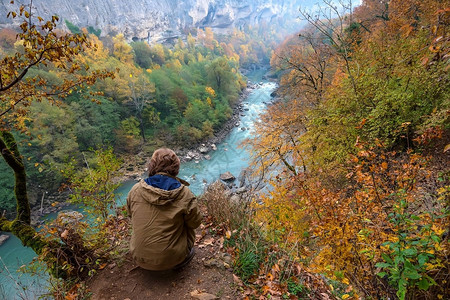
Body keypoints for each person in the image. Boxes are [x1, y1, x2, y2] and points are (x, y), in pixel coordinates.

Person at [127, 148, 202, 271]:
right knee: (187, 221)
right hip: (173, 259)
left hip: (140, 258)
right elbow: (195, 223)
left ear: (151, 166)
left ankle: (147, 253)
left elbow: (131, 215)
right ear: (176, 167)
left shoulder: (135, 190)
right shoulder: (184, 193)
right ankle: (177, 256)